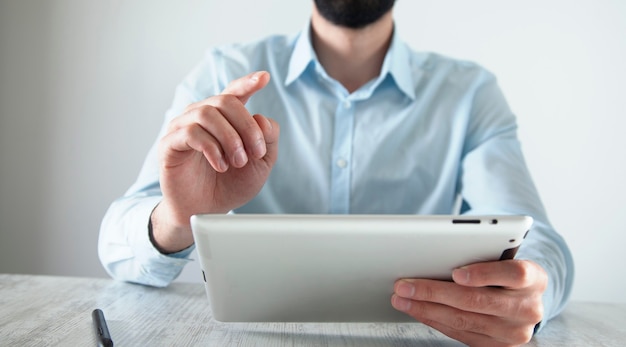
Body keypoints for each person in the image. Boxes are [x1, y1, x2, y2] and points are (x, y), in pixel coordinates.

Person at [99, 0, 574, 345]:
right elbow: (116, 243)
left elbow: (538, 240)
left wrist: (529, 298)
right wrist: (179, 217)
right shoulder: (225, 72)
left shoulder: (470, 93)